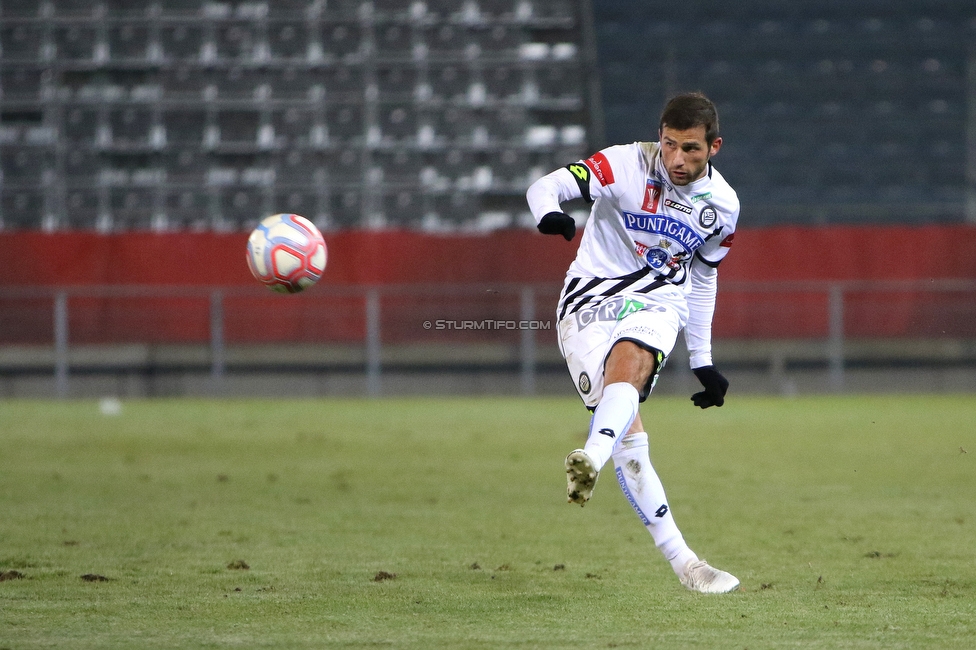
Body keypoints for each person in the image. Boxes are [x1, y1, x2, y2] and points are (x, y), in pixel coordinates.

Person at [525, 92, 740, 594]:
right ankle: (684, 563)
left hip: (658, 303)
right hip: (585, 304)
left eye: (690, 148)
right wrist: (548, 213)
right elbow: (547, 185)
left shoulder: (723, 207)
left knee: (633, 357)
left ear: (714, 147)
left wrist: (703, 359)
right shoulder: (624, 162)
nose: (676, 160)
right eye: (669, 145)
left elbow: (704, 278)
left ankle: (591, 459)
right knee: (630, 439)